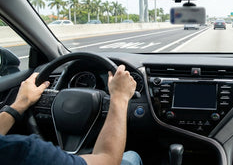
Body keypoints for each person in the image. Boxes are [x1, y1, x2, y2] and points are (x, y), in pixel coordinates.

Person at [0, 65, 142, 165]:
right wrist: (119, 97)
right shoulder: (25, 152)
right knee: (131, 156)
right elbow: (108, 160)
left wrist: (19, 104)